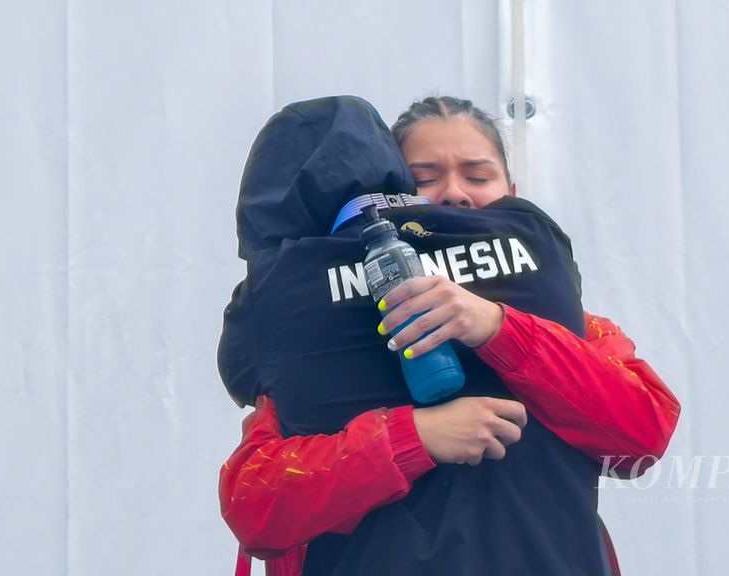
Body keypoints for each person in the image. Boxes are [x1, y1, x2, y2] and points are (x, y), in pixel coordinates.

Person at [218, 96, 680, 576]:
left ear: (513, 194)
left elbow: (640, 439)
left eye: (478, 177)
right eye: (425, 179)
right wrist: (413, 438)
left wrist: (500, 329)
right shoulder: (322, 338)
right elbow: (255, 505)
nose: (455, 194)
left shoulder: (573, 326)